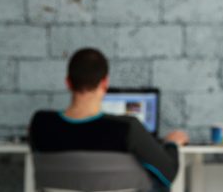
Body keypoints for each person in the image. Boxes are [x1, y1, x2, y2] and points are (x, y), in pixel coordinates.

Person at [28, 48, 189, 189]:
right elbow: (168, 174)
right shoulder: (127, 128)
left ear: (68, 82)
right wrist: (171, 144)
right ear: (105, 83)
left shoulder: (40, 124)